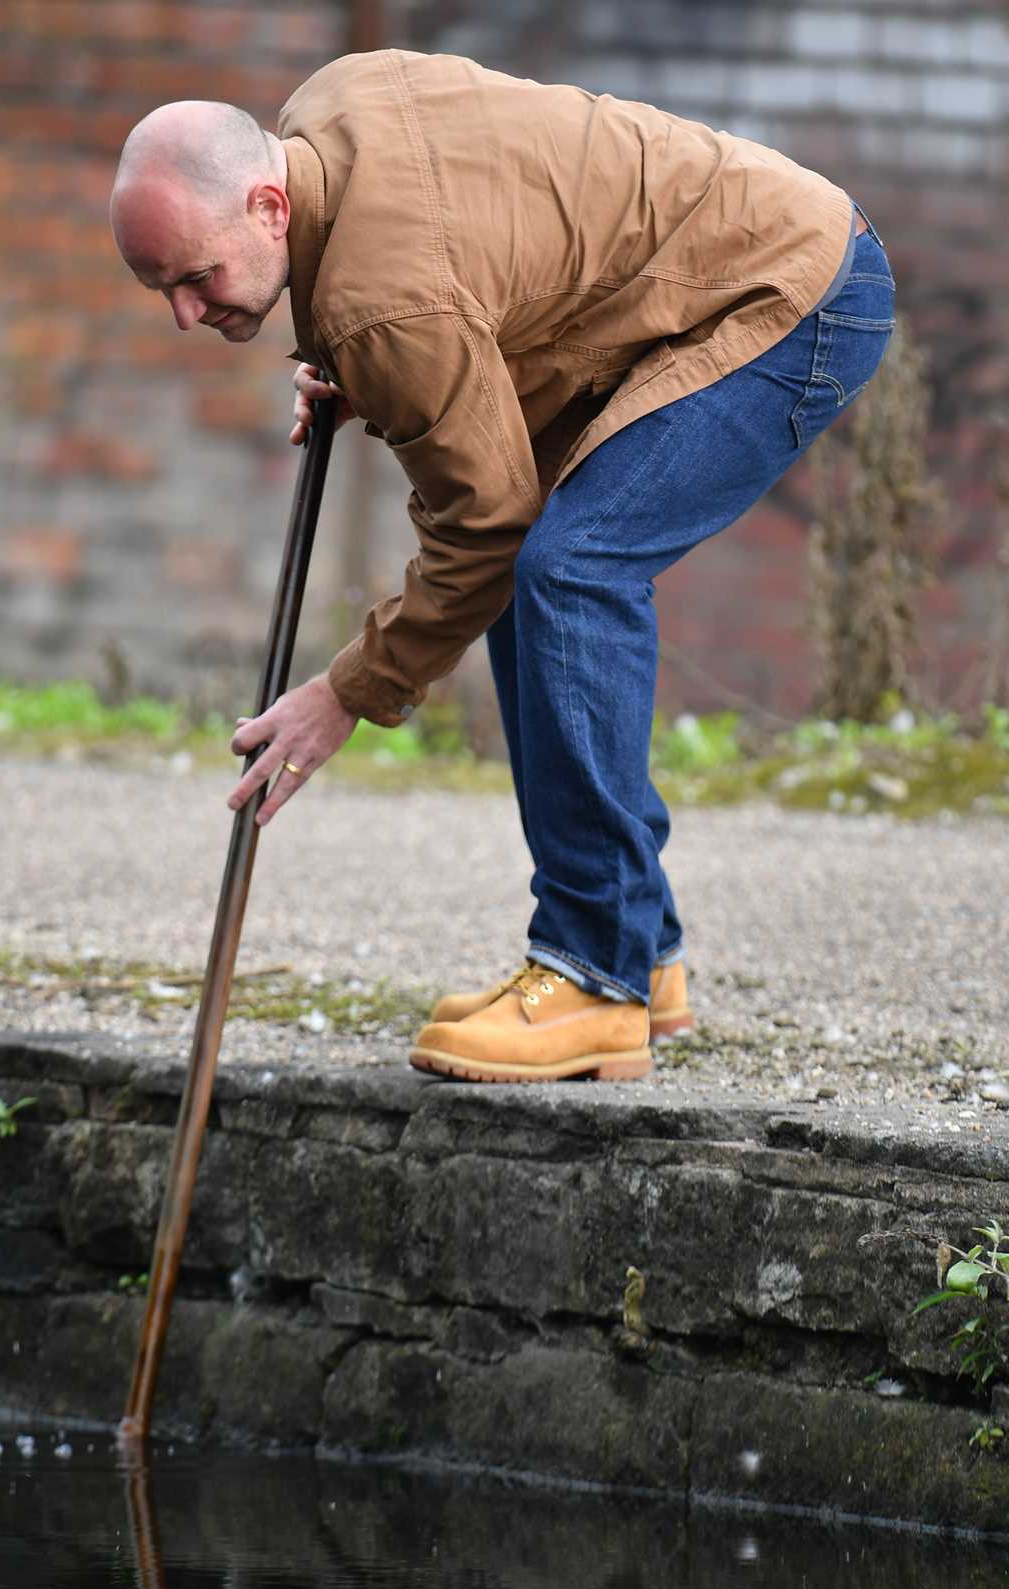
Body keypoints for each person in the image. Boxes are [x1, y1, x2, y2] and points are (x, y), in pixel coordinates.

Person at [110, 49, 895, 1086]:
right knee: (548, 563)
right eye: (161, 289)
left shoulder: (381, 309)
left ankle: (593, 977)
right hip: (732, 264)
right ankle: (637, 949)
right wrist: (362, 367)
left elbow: (478, 525)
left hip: (786, 298)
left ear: (266, 206)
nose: (184, 313)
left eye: (195, 277)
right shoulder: (327, 111)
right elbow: (474, 271)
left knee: (570, 567)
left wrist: (345, 693)